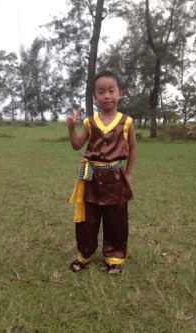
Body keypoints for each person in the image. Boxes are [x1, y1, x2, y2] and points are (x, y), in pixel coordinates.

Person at [67, 70, 137, 274]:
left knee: (116, 219)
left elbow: (132, 148)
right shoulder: (90, 122)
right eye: (101, 92)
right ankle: (84, 255)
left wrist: (129, 174)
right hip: (92, 177)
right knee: (88, 219)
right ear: (95, 96)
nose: (107, 95)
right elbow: (76, 144)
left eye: (111, 91)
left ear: (120, 94)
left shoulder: (127, 122)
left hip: (116, 177)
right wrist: (72, 127)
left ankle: (114, 257)